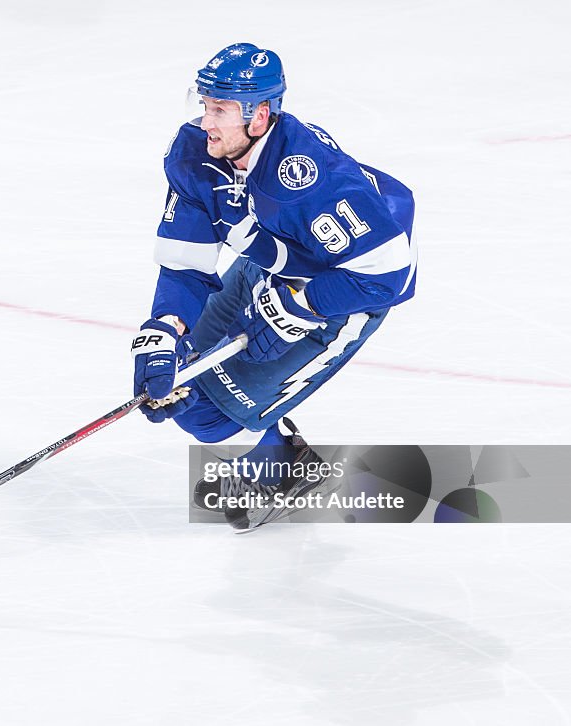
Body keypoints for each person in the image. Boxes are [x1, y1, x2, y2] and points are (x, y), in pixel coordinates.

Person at [130, 43, 417, 529]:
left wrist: (301, 307)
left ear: (259, 116)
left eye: (220, 110)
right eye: (205, 106)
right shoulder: (196, 158)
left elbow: (389, 273)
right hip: (271, 266)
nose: (206, 123)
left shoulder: (306, 176)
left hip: (346, 289)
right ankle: (284, 456)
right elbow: (184, 264)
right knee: (186, 394)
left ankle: (284, 469)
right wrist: (165, 326)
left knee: (217, 414)